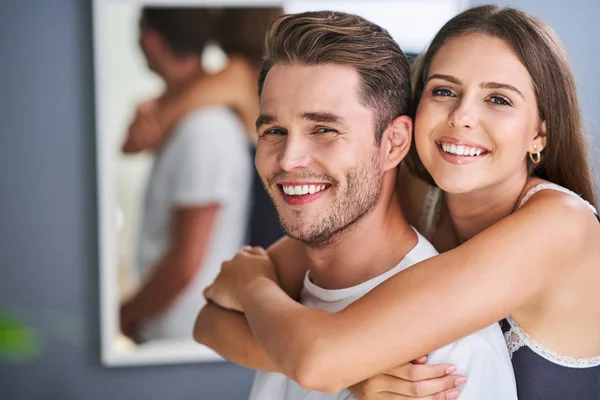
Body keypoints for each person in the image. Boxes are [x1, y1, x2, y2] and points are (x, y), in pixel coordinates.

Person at [200, 5, 600, 400]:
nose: (462, 116)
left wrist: (253, 285)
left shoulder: (560, 226)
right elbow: (211, 320)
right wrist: (356, 370)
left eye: (498, 100)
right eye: (444, 90)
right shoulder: (414, 192)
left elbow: (317, 360)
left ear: (541, 133)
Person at [119, 7, 254, 342]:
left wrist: (125, 313)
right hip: (179, 327)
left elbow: (185, 262)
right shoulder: (190, 118)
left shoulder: (204, 130)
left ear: (149, 40)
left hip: (184, 333)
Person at [123, 7, 285, 249]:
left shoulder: (237, 74)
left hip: (266, 216)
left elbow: (146, 135)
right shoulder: (262, 78)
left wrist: (151, 117)